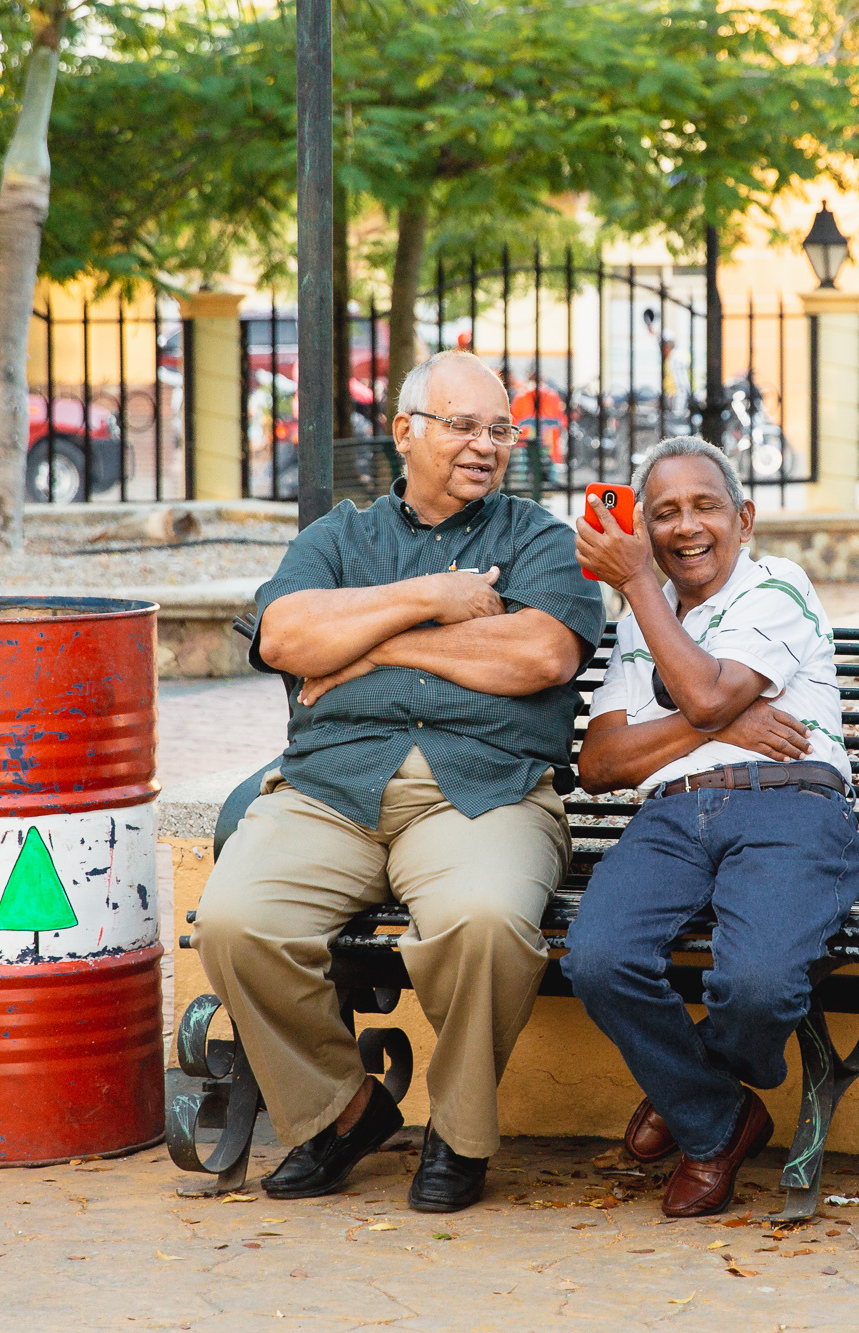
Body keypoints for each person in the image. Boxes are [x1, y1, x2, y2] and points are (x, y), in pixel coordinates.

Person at [191, 350, 606, 1212]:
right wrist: (432, 596)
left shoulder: (538, 539)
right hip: (332, 790)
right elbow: (286, 637)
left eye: (500, 429)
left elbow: (539, 653)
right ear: (405, 431)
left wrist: (374, 640)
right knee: (234, 922)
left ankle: (458, 1133)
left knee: (486, 923)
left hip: (482, 788)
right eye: (463, 425)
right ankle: (344, 1113)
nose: (485, 445)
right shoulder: (339, 538)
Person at [562, 435, 859, 1218]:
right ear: (644, 528)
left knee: (758, 986)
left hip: (789, 806)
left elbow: (699, 693)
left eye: (704, 505)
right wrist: (723, 724)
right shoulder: (644, 617)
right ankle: (722, 1119)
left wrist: (642, 594)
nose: (685, 526)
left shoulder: (779, 586)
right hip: (670, 817)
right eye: (662, 513)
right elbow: (600, 763)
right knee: (598, 959)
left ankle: (690, 1091)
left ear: (745, 517)